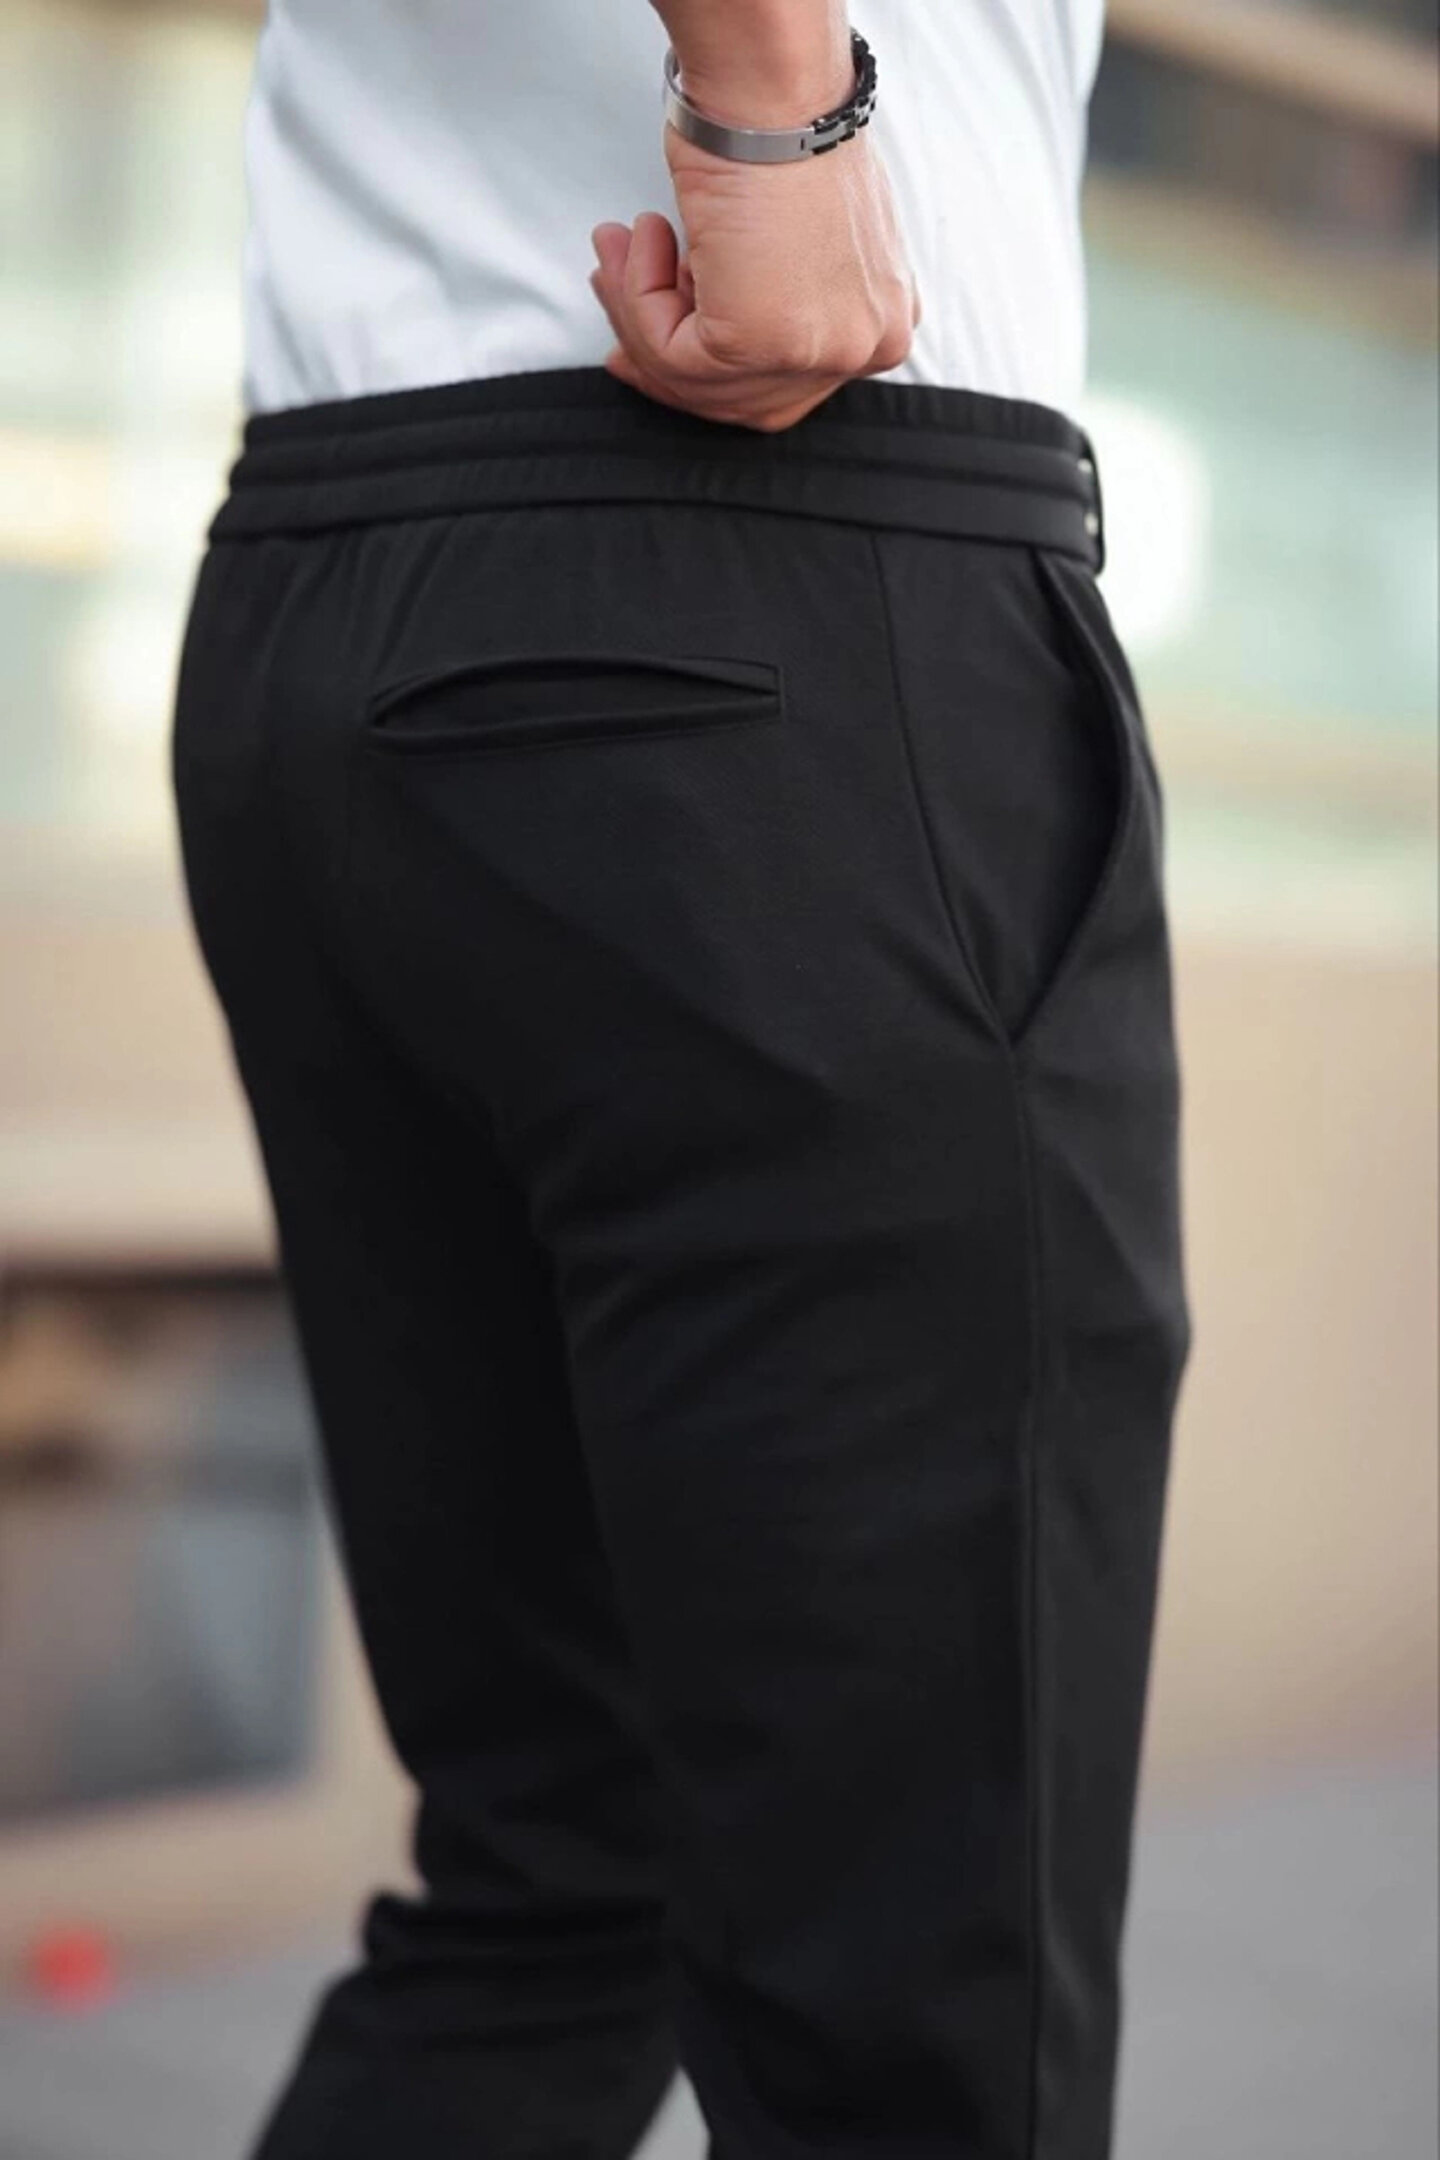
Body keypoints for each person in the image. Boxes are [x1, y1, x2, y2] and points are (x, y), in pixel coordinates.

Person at [172, 3, 1192, 2154]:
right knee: (923, 2024)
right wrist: (777, 100)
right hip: (784, 562)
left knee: (554, 1893)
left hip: (333, 583)